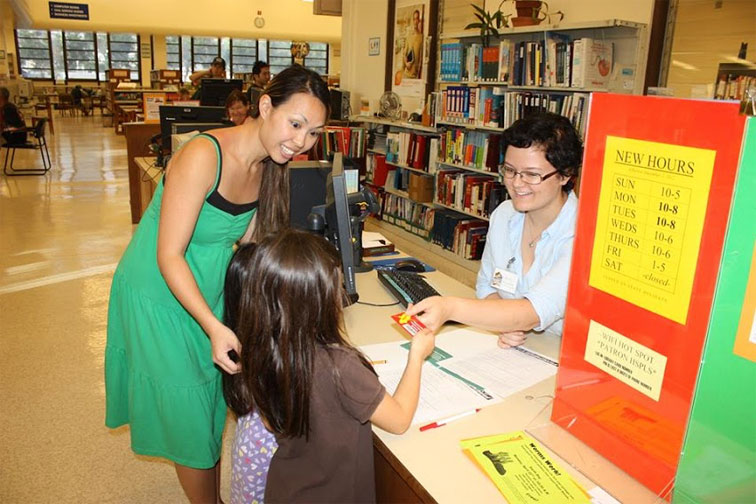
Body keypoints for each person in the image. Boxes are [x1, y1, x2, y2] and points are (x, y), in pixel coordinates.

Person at [104, 65, 330, 504]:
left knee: (208, 400)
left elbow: (248, 247)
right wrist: (213, 325)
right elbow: (168, 254)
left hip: (205, 289)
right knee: (189, 408)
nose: (302, 141)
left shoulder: (268, 166)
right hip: (159, 291)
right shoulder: (203, 154)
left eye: (314, 132)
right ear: (265, 106)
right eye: (296, 123)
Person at [223, 229, 436, 503]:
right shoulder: (340, 367)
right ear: (317, 302)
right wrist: (417, 355)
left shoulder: (260, 351)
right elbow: (399, 420)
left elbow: (274, 419)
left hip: (285, 490)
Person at [406, 112, 583, 348]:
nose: (517, 183)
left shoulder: (582, 232)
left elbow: (534, 312)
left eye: (531, 174)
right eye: (510, 170)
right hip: (515, 350)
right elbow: (487, 285)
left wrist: (449, 308)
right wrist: (505, 322)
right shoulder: (504, 214)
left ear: (565, 175)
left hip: (562, 355)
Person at [403, 9, 424, 79]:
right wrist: (406, 63)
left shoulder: (421, 37)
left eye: (417, 19)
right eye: (414, 19)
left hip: (416, 76)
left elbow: (421, 57)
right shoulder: (409, 36)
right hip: (407, 75)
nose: (415, 21)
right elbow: (404, 54)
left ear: (419, 21)